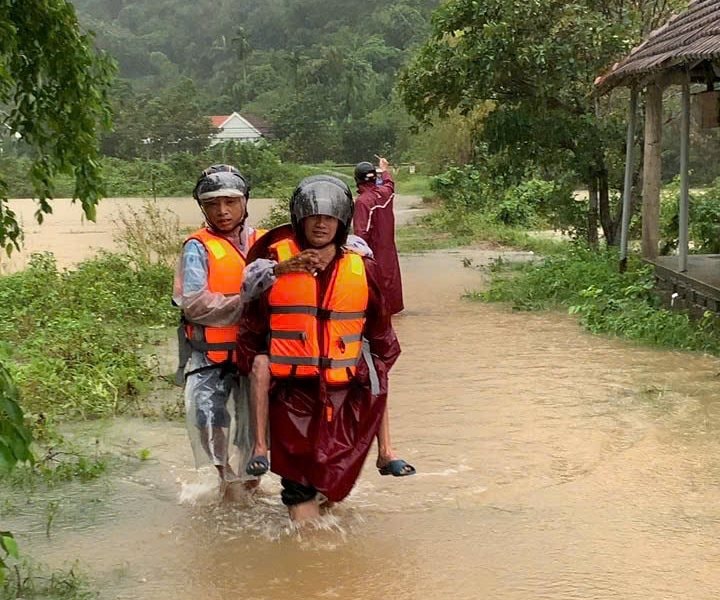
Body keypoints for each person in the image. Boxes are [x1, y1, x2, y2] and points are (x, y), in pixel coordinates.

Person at [236, 175, 403, 522]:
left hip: (343, 394)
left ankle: (383, 454)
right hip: (291, 395)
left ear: (342, 221)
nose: (321, 223)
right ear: (299, 219)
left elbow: (382, 334)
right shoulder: (273, 263)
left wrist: (367, 369)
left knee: (334, 481)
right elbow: (252, 326)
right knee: (298, 485)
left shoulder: (362, 267)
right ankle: (308, 555)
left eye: (329, 217)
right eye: (313, 216)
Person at [172, 163, 269, 493]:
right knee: (210, 421)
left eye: (230, 202)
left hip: (256, 355)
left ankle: (252, 488)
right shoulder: (197, 248)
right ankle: (225, 483)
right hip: (210, 356)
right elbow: (195, 303)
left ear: (244, 202)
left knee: (255, 429)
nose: (222, 211)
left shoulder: (264, 242)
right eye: (213, 204)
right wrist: (244, 301)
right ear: (203, 207)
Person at [353, 157, 404, 315]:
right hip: (388, 250)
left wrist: (355, 253)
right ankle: (392, 310)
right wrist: (384, 169)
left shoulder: (363, 202)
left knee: (374, 284)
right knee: (390, 280)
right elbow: (390, 184)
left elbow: (362, 232)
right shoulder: (385, 193)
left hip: (373, 252)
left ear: (357, 180)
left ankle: (379, 314)